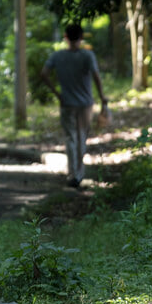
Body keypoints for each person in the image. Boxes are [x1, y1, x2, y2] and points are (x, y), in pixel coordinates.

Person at [39, 23, 108, 188]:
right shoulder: (87, 55)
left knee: (71, 138)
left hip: (67, 103)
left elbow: (43, 74)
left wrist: (57, 94)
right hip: (85, 104)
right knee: (81, 137)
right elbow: (96, 77)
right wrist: (102, 96)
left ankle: (72, 174)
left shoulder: (57, 56)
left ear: (66, 37)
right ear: (81, 37)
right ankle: (79, 173)